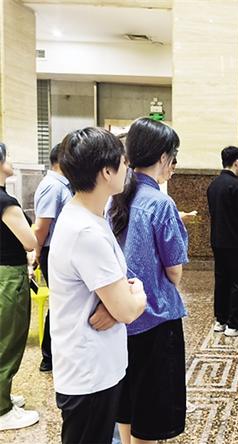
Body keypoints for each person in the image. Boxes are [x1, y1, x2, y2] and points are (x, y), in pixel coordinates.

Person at [49, 128, 147, 444]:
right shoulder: (86, 232)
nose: (127, 168)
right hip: (89, 372)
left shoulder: (88, 215)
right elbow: (127, 311)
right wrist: (138, 292)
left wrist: (117, 302)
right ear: (106, 171)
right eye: (123, 162)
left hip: (94, 365)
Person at [107, 117, 189, 443]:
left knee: (127, 404)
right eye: (174, 156)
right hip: (156, 321)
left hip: (120, 317)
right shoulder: (161, 203)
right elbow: (174, 270)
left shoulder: (114, 198)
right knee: (152, 415)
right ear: (163, 157)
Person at [0, 142, 39, 431]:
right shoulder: (6, 203)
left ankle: (3, 396)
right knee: (8, 342)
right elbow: (30, 241)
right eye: (7, 156)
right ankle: (2, 411)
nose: (11, 160)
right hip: (8, 277)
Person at [207, 146, 238, 337]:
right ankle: (234, 324)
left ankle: (221, 320)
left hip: (217, 240)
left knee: (222, 279)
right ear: (236, 162)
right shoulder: (236, 185)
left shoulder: (213, 185)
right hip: (236, 241)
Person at [33, 143, 73, 373]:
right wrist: (37, 253)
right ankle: (49, 356)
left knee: (62, 302)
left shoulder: (62, 185)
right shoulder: (52, 186)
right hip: (51, 251)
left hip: (57, 250)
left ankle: (53, 354)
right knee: (59, 303)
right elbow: (41, 227)